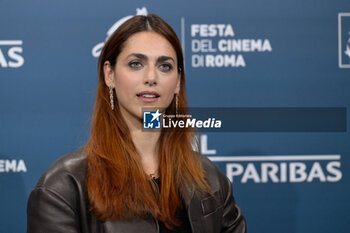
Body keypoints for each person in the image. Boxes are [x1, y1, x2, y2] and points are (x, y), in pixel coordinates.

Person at [27, 14, 246, 233]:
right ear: (109, 75)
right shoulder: (62, 189)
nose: (151, 77)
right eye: (136, 64)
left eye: (164, 66)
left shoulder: (211, 180)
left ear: (178, 82)